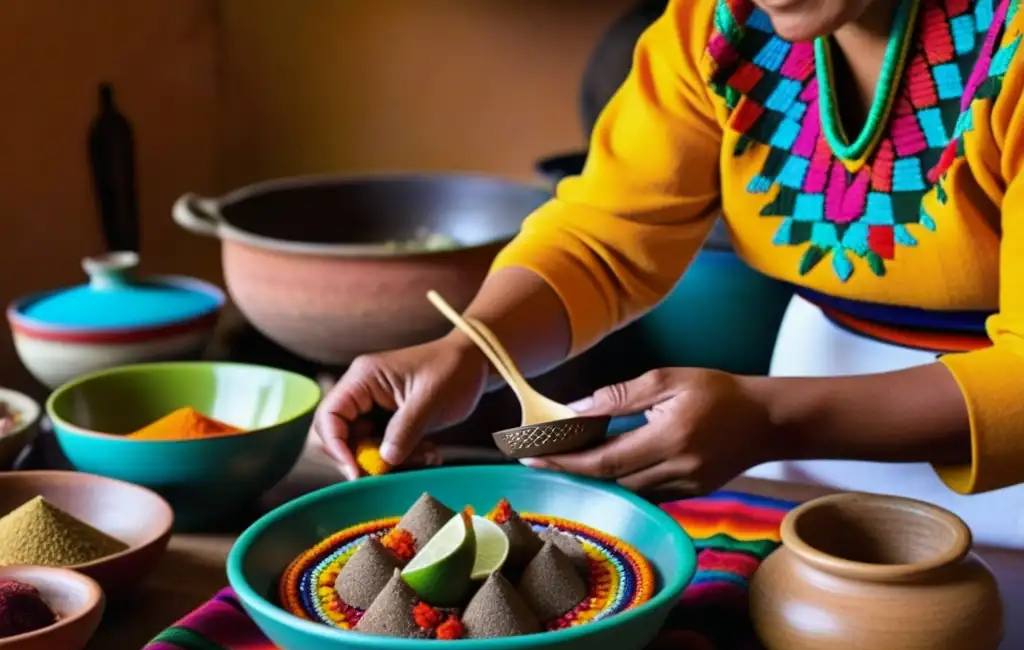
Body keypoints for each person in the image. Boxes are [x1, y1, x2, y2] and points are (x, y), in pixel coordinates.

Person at [316, 0, 1024, 547]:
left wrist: (774, 419)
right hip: (810, 429)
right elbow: (609, 238)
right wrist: (469, 352)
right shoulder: (715, 31)